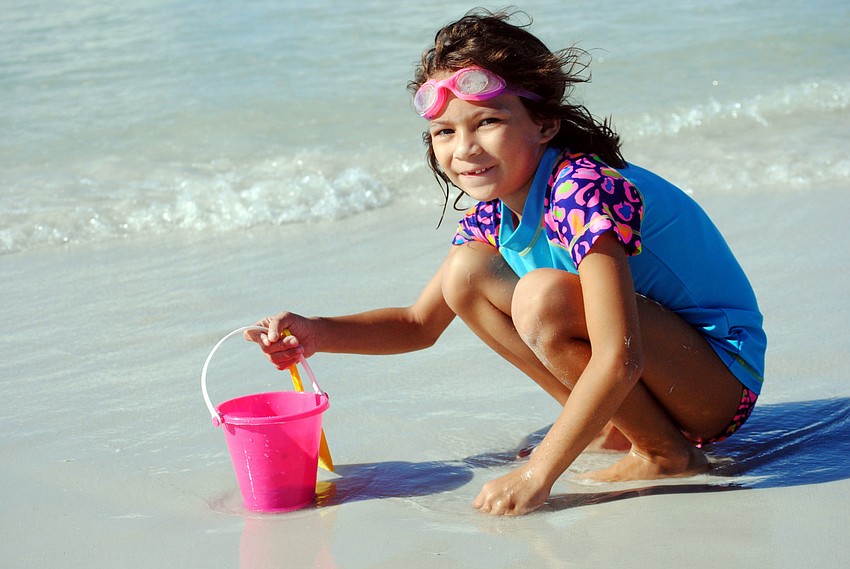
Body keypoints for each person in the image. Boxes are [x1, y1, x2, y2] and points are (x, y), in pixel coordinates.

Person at [245, 10, 766, 516]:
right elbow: (417, 325)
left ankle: (663, 452)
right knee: (466, 275)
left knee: (543, 297)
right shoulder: (495, 214)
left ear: (545, 123)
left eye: (488, 121)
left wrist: (540, 472)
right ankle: (620, 426)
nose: (465, 149)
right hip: (659, 375)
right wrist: (316, 332)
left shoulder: (582, 189)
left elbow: (618, 358)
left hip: (718, 383)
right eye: (445, 132)